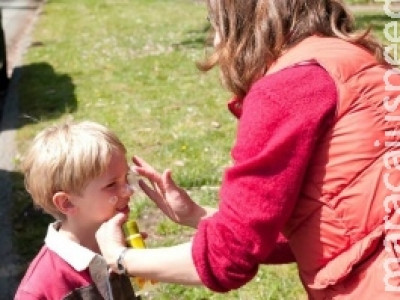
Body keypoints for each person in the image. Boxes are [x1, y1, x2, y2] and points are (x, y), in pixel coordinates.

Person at [95, 0, 400, 299]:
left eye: (216, 24)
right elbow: (329, 227)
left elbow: (227, 260)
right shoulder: (358, 60)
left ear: (239, 20)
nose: (215, 39)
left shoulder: (287, 88)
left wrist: (121, 258)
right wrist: (198, 215)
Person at [14, 121, 140, 300]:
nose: (129, 190)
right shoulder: (43, 286)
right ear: (67, 203)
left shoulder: (115, 244)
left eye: (125, 177)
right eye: (112, 184)